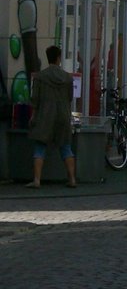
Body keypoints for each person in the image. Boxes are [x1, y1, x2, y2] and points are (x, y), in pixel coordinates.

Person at [27, 44, 76, 188]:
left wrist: (33, 116)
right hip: (63, 115)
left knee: (39, 147)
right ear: (59, 58)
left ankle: (37, 180)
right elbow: (70, 98)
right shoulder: (67, 78)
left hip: (45, 115)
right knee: (66, 148)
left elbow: (35, 99)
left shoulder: (40, 77)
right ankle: (72, 179)